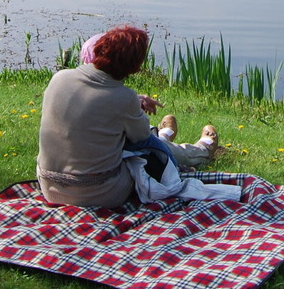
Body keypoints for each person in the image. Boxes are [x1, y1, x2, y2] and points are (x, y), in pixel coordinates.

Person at [37, 25, 219, 207]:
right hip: (99, 193)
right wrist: (134, 106)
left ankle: (169, 137)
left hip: (50, 187)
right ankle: (199, 151)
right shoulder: (123, 98)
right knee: (150, 145)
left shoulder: (59, 78)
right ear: (134, 67)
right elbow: (140, 137)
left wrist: (134, 102)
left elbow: (92, 106)